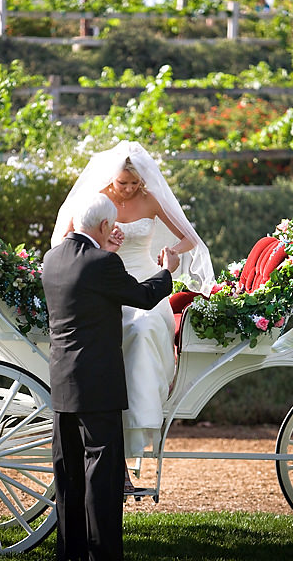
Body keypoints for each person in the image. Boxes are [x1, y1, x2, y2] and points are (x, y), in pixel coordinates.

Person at [53, 141, 215, 487]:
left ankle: (139, 429)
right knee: (117, 333)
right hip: (106, 283)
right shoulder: (96, 199)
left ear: (142, 180)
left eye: (133, 183)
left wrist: (169, 255)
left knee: (142, 330)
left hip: (145, 281)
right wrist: (102, 246)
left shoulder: (149, 199)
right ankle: (116, 460)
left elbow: (189, 238)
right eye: (122, 182)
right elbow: (70, 240)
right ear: (112, 177)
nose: (127, 189)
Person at [43, 193, 178, 560]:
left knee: (68, 474)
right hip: (98, 384)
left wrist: (107, 249)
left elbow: (90, 289)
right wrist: (168, 271)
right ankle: (103, 554)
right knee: (101, 476)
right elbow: (144, 296)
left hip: (63, 382)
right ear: (105, 226)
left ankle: (70, 554)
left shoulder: (52, 258)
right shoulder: (102, 263)